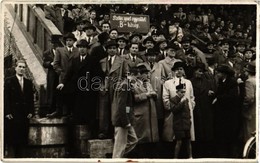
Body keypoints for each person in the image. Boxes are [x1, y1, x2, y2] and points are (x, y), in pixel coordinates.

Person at [4, 60, 34, 158]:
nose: (21, 69)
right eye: (20, 67)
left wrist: (31, 111)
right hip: (12, 115)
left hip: (24, 116)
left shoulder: (28, 83)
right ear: (15, 68)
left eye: (23, 67)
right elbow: (6, 97)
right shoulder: (9, 81)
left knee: (23, 142)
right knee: (12, 141)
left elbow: (31, 99)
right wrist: (7, 112)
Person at [213, 64, 240, 158]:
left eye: (219, 72)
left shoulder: (232, 82)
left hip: (229, 112)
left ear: (224, 74)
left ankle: (231, 154)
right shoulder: (221, 81)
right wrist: (214, 94)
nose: (217, 74)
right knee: (223, 132)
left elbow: (232, 96)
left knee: (229, 133)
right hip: (223, 112)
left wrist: (218, 98)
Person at [112, 67, 139, 158]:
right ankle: (116, 158)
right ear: (131, 75)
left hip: (126, 119)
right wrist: (125, 122)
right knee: (120, 147)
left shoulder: (126, 84)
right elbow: (121, 105)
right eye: (136, 78)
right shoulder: (124, 85)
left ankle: (118, 157)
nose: (136, 80)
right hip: (122, 121)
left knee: (133, 140)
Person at [52, 33, 79, 117]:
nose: (68, 42)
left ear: (74, 41)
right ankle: (60, 111)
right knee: (61, 93)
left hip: (73, 77)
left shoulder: (77, 51)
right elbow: (55, 64)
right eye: (67, 40)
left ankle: (71, 113)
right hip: (63, 76)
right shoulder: (59, 50)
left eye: (70, 40)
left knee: (72, 95)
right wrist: (61, 72)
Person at [171, 81, 192, 159]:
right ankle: (175, 158)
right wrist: (181, 103)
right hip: (178, 124)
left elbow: (188, 112)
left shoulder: (186, 99)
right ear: (177, 92)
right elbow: (174, 110)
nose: (183, 93)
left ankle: (190, 157)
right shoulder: (173, 99)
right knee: (179, 142)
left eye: (184, 92)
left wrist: (189, 122)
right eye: (181, 92)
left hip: (186, 124)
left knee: (188, 141)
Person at [43, 35, 61, 116]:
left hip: (59, 74)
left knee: (59, 91)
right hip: (51, 75)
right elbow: (44, 63)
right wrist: (50, 63)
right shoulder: (47, 52)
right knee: (51, 91)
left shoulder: (61, 51)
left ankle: (58, 110)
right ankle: (50, 109)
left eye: (56, 43)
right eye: (53, 43)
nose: (54, 45)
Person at [240, 61, 256, 143]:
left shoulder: (249, 81)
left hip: (251, 112)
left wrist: (244, 107)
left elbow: (250, 98)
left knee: (250, 135)